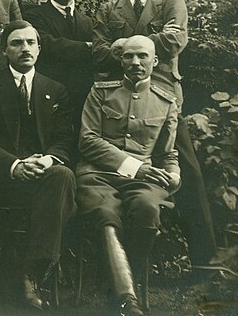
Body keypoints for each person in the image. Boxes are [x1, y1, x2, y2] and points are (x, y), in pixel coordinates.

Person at [92, 0, 216, 264]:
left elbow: (175, 40)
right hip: (118, 102)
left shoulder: (170, 2)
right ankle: (120, 262)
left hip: (163, 102)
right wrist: (141, 45)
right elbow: (97, 51)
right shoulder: (109, 8)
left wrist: (126, 44)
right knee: (112, 169)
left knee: (185, 170)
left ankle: (205, 261)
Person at [0, 20, 77, 310]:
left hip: (44, 174)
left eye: (30, 42)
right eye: (16, 43)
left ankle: (32, 272)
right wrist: (15, 164)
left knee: (63, 174)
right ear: (5, 50)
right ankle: (32, 274)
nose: (24, 48)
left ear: (39, 49)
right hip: (1, 178)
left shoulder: (55, 90)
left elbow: (65, 140)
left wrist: (46, 159)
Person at [77, 36, 180, 316]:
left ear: (154, 61)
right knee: (105, 212)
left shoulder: (166, 101)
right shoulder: (100, 93)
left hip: (144, 180)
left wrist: (173, 174)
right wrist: (136, 166)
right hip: (97, 174)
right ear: (120, 60)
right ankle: (127, 300)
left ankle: (125, 288)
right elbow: (87, 141)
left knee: (147, 208)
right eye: (128, 56)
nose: (135, 62)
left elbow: (167, 153)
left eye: (142, 56)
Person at [23, 0, 94, 118]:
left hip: (82, 96)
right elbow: (48, 45)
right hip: (49, 95)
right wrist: (88, 47)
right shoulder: (34, 17)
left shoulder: (88, 21)